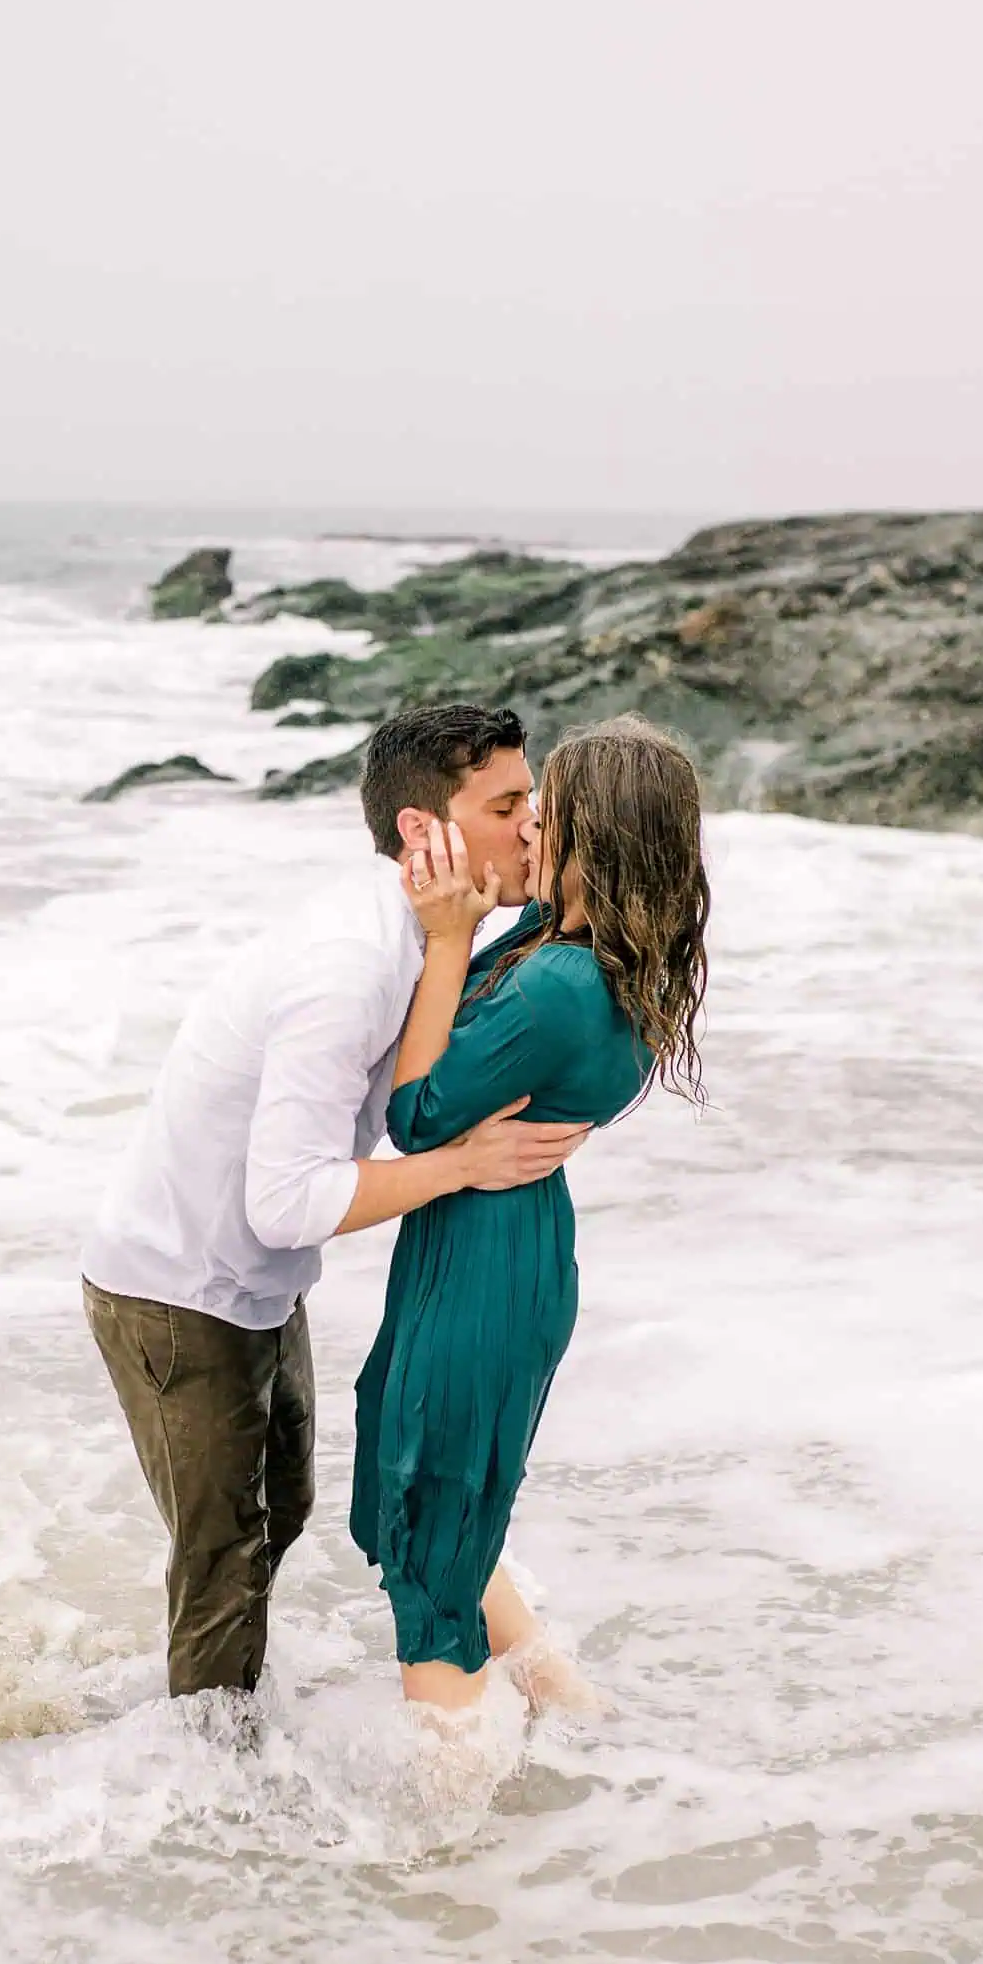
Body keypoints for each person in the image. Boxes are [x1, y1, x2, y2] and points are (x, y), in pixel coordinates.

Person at [81, 702, 588, 1702]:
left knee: (282, 1513)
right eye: (507, 805)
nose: (530, 827)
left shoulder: (425, 934)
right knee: (225, 1559)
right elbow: (284, 1201)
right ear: (420, 832)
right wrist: (464, 1167)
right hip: (178, 1289)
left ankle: (215, 1736)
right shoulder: (350, 964)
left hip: (256, 1284)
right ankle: (207, 1801)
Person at [350, 716, 711, 1718]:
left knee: (428, 1561)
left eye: (543, 815)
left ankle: (451, 1854)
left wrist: (447, 935)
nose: (526, 833)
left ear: (593, 836)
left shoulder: (557, 979)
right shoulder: (590, 953)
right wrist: (467, 922)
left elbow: (419, 1115)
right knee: (411, 1513)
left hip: (484, 1256)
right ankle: (571, 1709)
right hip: (505, 1239)